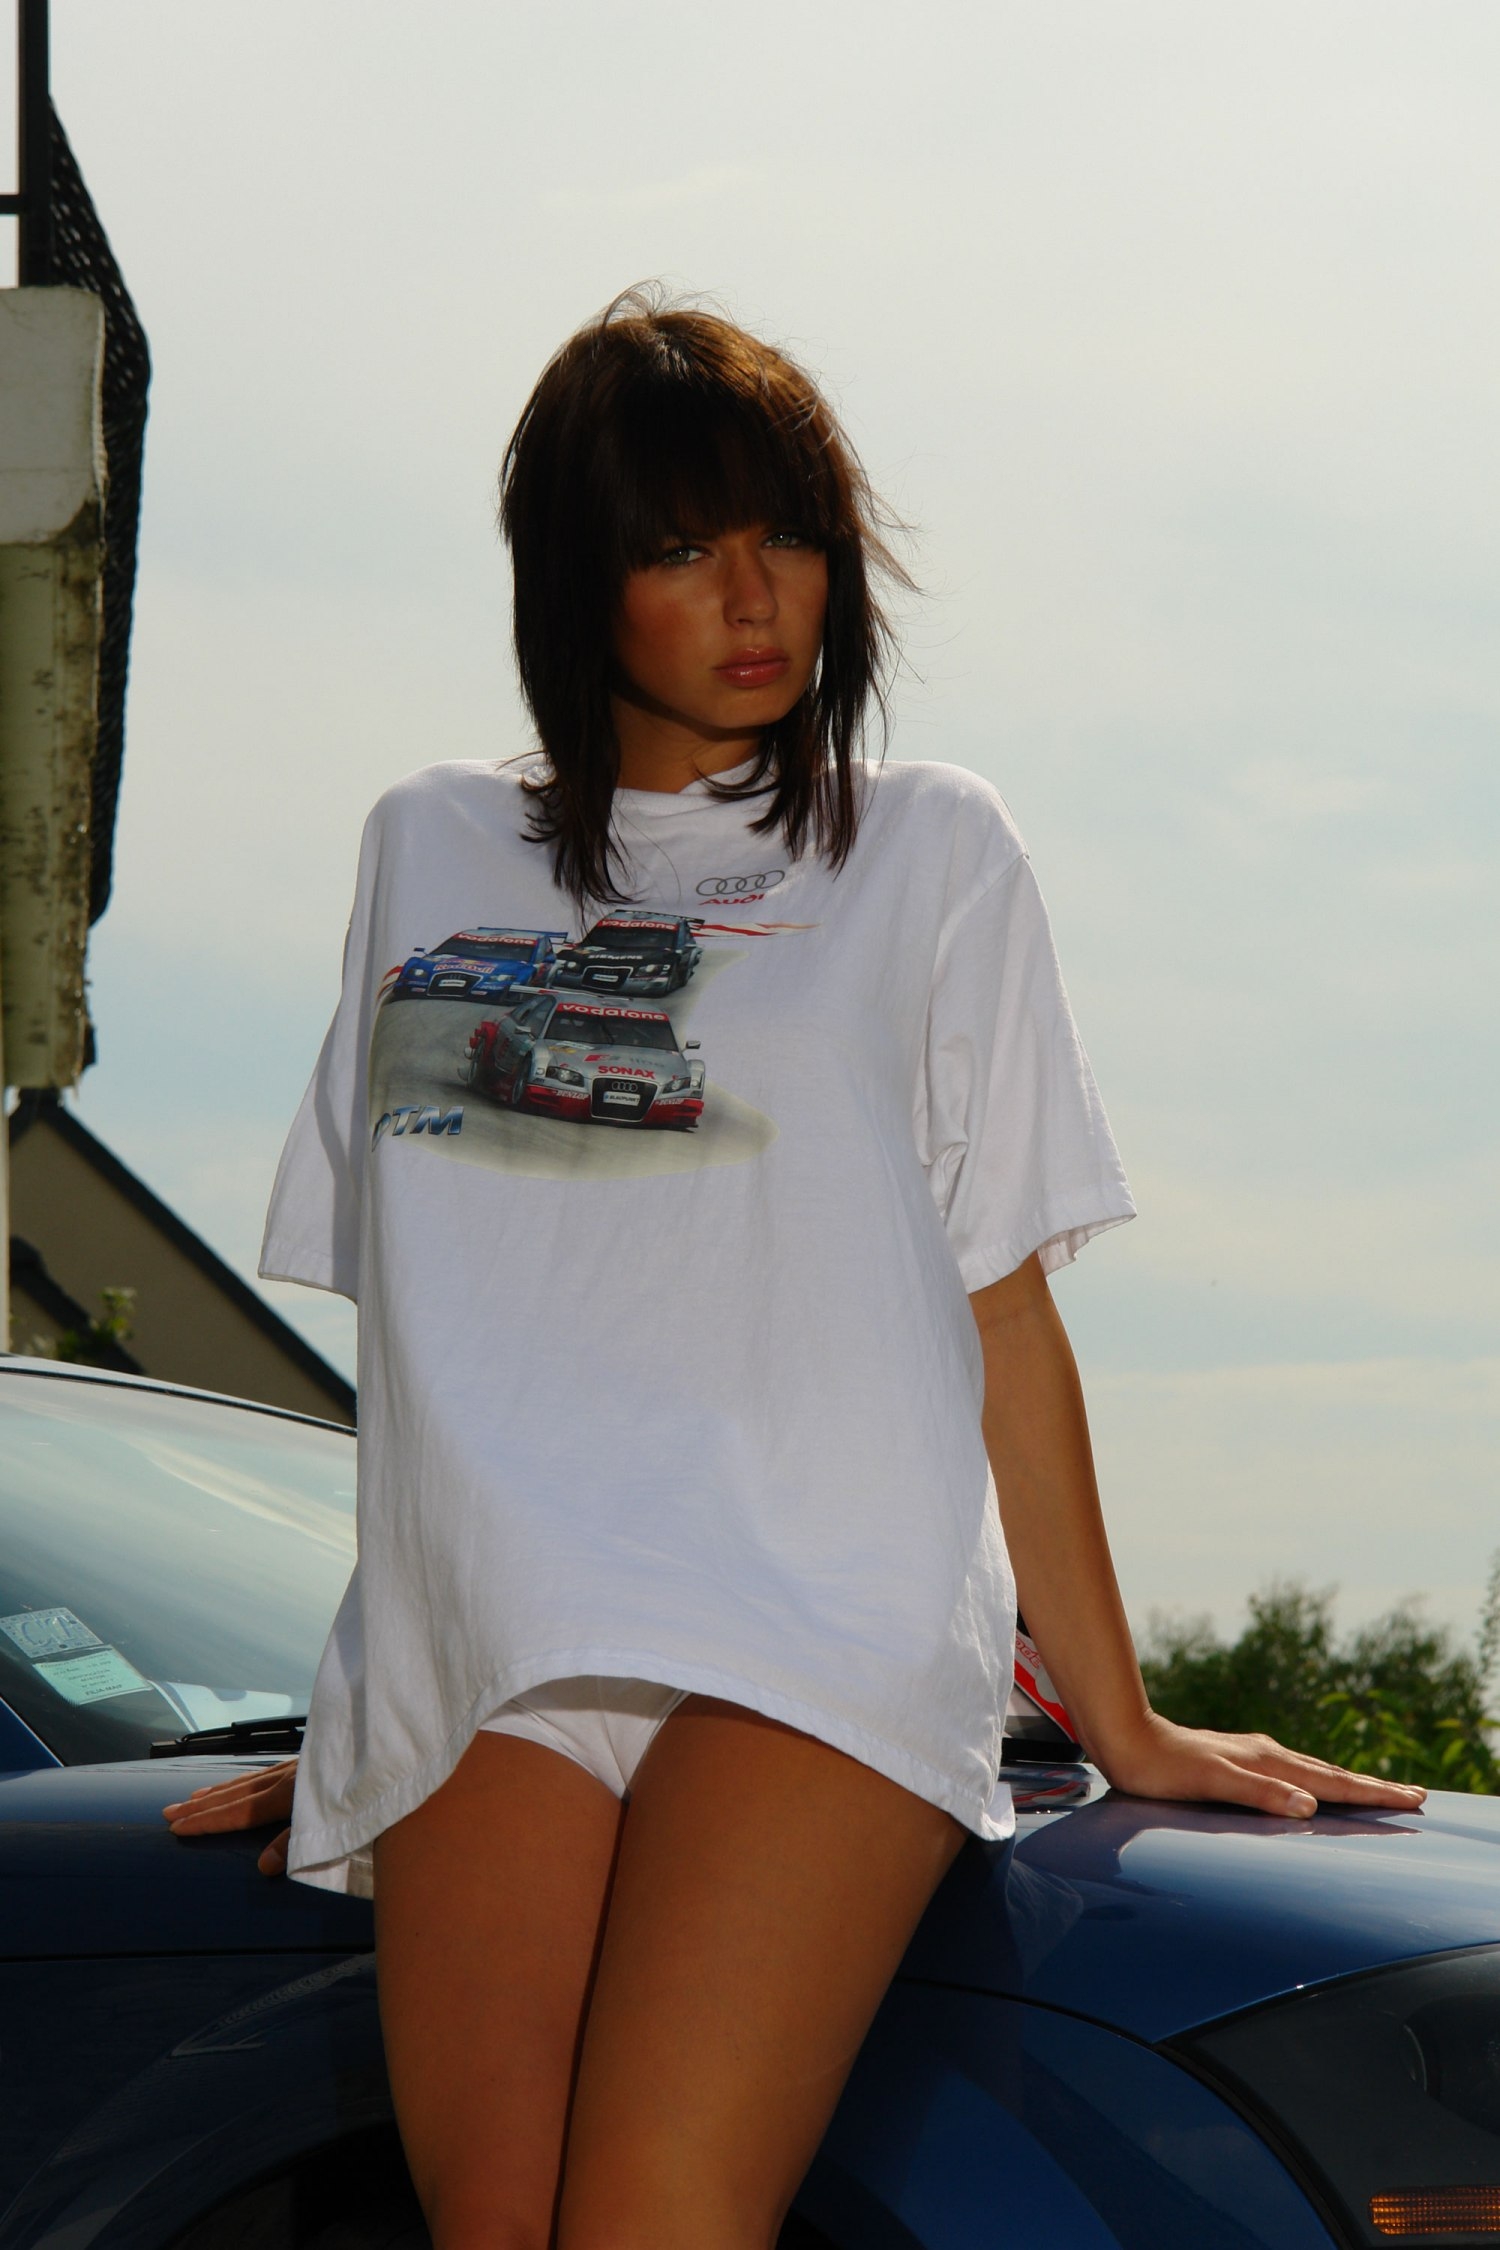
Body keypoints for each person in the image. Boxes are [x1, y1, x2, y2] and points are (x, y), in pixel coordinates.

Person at [163, 292, 1424, 2250]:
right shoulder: (428, 844)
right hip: (496, 1648)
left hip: (812, 1619)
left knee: (654, 2214)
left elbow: (1001, 1306)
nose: (754, 597)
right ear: (579, 580)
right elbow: (438, 1308)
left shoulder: (928, 851)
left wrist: (1123, 1718)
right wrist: (374, 1690)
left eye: (790, 536)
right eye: (681, 546)